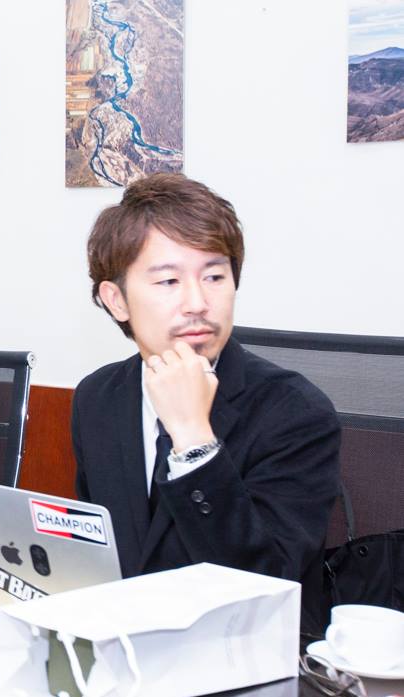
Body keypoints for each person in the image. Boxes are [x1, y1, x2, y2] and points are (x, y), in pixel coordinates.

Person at [73, 173, 340, 633]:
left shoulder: (296, 412)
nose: (197, 302)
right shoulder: (98, 398)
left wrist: (193, 440)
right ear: (116, 300)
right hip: (128, 647)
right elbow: (103, 551)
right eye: (169, 281)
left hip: (244, 652)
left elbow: (265, 584)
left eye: (215, 276)